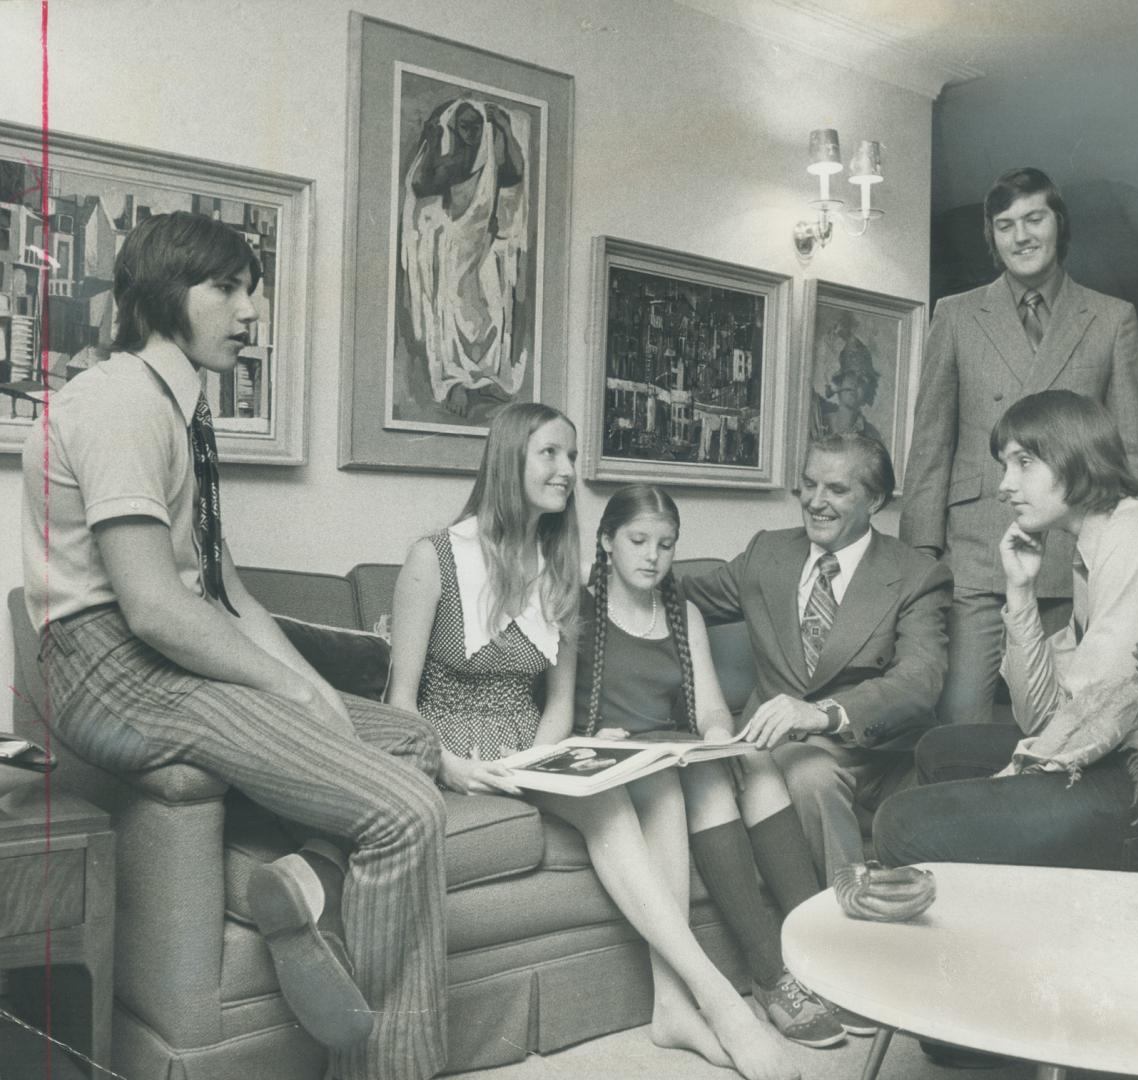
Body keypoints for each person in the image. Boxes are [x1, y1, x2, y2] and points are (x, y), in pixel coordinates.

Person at [20, 211, 448, 1080]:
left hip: (156, 656)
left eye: (251, 288)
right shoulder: (117, 402)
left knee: (411, 738)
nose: (250, 309)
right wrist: (290, 697)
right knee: (407, 811)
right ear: (163, 295)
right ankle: (391, 1070)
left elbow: (226, 595)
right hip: (114, 669)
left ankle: (310, 884)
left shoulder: (179, 410)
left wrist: (315, 691)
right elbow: (152, 607)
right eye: (228, 288)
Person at [386, 404, 796, 1080]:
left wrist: (544, 757)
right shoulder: (434, 557)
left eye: (572, 456)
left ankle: (673, 1006)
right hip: (447, 749)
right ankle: (720, 1000)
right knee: (613, 805)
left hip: (531, 747)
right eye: (551, 453)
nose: (569, 470)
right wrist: (453, 766)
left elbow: (557, 702)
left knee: (657, 780)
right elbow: (400, 704)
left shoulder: (556, 568)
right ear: (510, 457)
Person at [874, 391, 1138, 874]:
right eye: (1005, 465)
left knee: (901, 823)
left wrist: (1010, 780)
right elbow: (1041, 717)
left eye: (1024, 462)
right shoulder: (1096, 543)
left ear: (1075, 458)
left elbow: (1089, 720)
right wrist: (1020, 592)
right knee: (941, 750)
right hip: (1126, 764)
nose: (1005, 486)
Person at [578, 484, 848, 1046]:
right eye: (638, 541)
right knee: (708, 787)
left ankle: (817, 956)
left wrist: (722, 739)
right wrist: (592, 735)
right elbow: (548, 707)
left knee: (756, 765)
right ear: (605, 541)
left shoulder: (682, 611)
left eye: (667, 545)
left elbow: (710, 707)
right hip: (622, 761)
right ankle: (769, 971)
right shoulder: (577, 610)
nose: (653, 556)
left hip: (678, 749)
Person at [900, 166, 1138, 728]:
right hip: (974, 549)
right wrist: (920, 555)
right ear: (991, 238)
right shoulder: (958, 314)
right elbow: (930, 443)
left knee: (1066, 719)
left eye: (1034, 218)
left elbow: (1134, 449)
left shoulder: (1111, 319)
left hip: (1076, 555)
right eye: (1005, 224)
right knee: (962, 715)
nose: (1021, 235)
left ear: (1059, 226)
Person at [681, 433, 952, 886]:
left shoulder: (916, 574)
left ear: (876, 499)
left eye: (837, 490)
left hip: (885, 750)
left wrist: (823, 715)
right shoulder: (766, 554)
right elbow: (679, 596)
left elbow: (919, 680)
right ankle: (850, 918)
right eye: (809, 484)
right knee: (810, 776)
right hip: (793, 753)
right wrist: (587, 577)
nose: (815, 501)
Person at [400, 96, 529, 417]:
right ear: (455, 128)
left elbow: (516, 172)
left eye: (476, 125)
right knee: (453, 313)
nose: (471, 132)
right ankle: (456, 380)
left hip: (484, 244)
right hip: (455, 247)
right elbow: (420, 184)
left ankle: (486, 377)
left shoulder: (491, 162)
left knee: (493, 312)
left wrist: (505, 128)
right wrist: (430, 142)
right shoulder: (452, 163)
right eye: (464, 126)